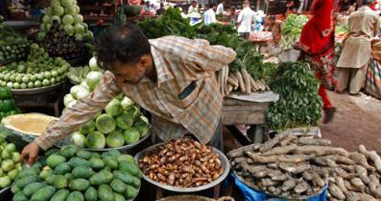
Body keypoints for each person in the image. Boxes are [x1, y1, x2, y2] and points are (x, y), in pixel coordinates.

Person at [20, 24, 236, 164]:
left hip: (203, 114)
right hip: (167, 124)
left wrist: (206, 75)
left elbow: (228, 55)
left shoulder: (182, 53)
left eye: (122, 75)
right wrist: (41, 142)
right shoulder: (117, 76)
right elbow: (85, 107)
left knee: (212, 163)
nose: (119, 82)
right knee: (174, 166)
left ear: (143, 62)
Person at [294, 0, 337, 123]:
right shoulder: (330, 21)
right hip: (323, 60)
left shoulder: (314, 22)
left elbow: (309, 46)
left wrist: (297, 45)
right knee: (317, 85)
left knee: (308, 85)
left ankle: (317, 109)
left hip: (312, 60)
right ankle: (324, 106)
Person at [336, 0, 380, 95]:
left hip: (350, 40)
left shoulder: (353, 14)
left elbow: (349, 27)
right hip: (363, 41)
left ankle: (340, 87)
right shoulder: (374, 15)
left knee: (345, 65)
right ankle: (353, 90)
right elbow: (375, 32)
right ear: (372, 3)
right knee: (359, 66)